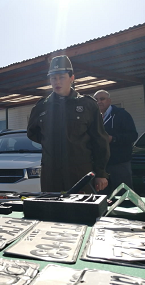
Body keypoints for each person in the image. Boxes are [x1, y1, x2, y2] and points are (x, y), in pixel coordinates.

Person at [27, 55, 110, 193]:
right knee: (52, 212)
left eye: (62, 77)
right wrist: (52, 141)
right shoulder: (42, 106)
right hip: (51, 174)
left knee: (82, 212)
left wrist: (101, 173)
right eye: (53, 78)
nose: (57, 82)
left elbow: (100, 140)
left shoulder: (87, 105)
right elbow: (32, 133)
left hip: (80, 173)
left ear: (72, 78)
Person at [94, 90, 138, 195]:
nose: (99, 102)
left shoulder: (121, 114)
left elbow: (133, 135)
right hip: (102, 166)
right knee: (103, 197)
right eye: (96, 100)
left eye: (102, 99)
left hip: (120, 163)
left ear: (109, 100)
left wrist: (113, 139)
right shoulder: (95, 117)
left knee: (124, 195)